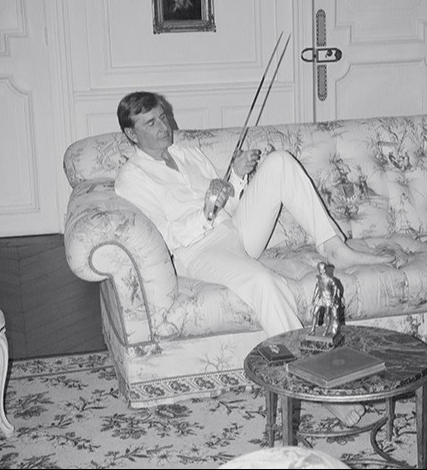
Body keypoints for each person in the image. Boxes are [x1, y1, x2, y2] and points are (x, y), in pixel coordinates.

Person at [114, 91, 396, 426]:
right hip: (198, 251)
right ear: (132, 134)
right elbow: (165, 238)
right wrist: (205, 211)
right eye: (151, 122)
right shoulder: (132, 179)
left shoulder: (187, 153)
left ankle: (334, 247)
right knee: (265, 282)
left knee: (280, 163)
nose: (164, 126)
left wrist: (234, 177)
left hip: (233, 230)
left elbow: (228, 209)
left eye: (163, 116)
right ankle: (320, 385)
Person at [310, 261, 343, 338]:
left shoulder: (329, 279)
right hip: (321, 298)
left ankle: (327, 329)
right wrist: (314, 298)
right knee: (315, 313)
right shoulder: (318, 278)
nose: (321, 271)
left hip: (328, 298)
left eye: (322, 269)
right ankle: (312, 329)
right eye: (319, 269)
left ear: (325, 270)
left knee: (327, 314)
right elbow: (317, 288)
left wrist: (334, 297)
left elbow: (335, 287)